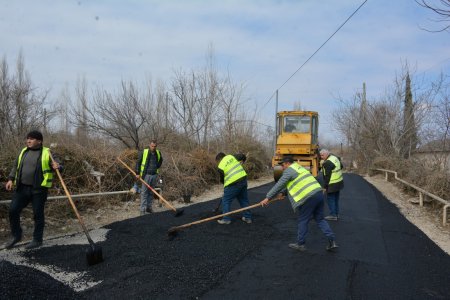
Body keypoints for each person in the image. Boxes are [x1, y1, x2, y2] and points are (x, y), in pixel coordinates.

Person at [260, 156, 338, 252]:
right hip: (318, 194)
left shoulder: (289, 171)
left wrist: (267, 198)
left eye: (283, 165)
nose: (282, 168)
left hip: (308, 198)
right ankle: (332, 240)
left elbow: (280, 184)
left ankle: (300, 244)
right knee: (320, 219)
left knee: (303, 220)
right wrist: (283, 193)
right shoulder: (299, 168)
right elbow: (293, 182)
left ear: (287, 163)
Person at [4, 130, 61, 250]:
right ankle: (16, 236)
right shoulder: (23, 151)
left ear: (39, 141)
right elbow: (16, 166)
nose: (28, 140)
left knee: (38, 215)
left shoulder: (47, 152)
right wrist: (10, 179)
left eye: (31, 139)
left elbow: (58, 163)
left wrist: (58, 166)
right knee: (13, 210)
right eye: (27, 138)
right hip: (22, 188)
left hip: (38, 190)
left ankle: (37, 240)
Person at [216, 152, 252, 224]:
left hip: (233, 183)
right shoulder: (231, 156)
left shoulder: (220, 166)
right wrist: (243, 161)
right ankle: (247, 218)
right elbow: (242, 155)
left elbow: (222, 179)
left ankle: (226, 219)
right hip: (243, 179)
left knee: (226, 200)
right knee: (243, 199)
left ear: (219, 159)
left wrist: (226, 190)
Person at [135, 139, 163, 215]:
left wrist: (157, 166)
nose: (153, 147)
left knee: (151, 192)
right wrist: (137, 172)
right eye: (152, 146)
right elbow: (138, 162)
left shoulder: (158, 152)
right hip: (146, 175)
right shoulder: (144, 152)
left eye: (155, 146)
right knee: (144, 192)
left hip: (154, 175)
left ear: (156, 146)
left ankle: (149, 208)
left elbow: (161, 160)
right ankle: (142, 210)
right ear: (149, 145)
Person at [319, 149, 344, 221]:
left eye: (322, 155)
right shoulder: (334, 158)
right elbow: (341, 166)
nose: (321, 157)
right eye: (320, 155)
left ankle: (333, 215)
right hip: (339, 182)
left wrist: (324, 187)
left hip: (332, 184)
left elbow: (327, 176)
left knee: (331, 199)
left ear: (327, 154)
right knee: (336, 199)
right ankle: (336, 214)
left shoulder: (327, 163)